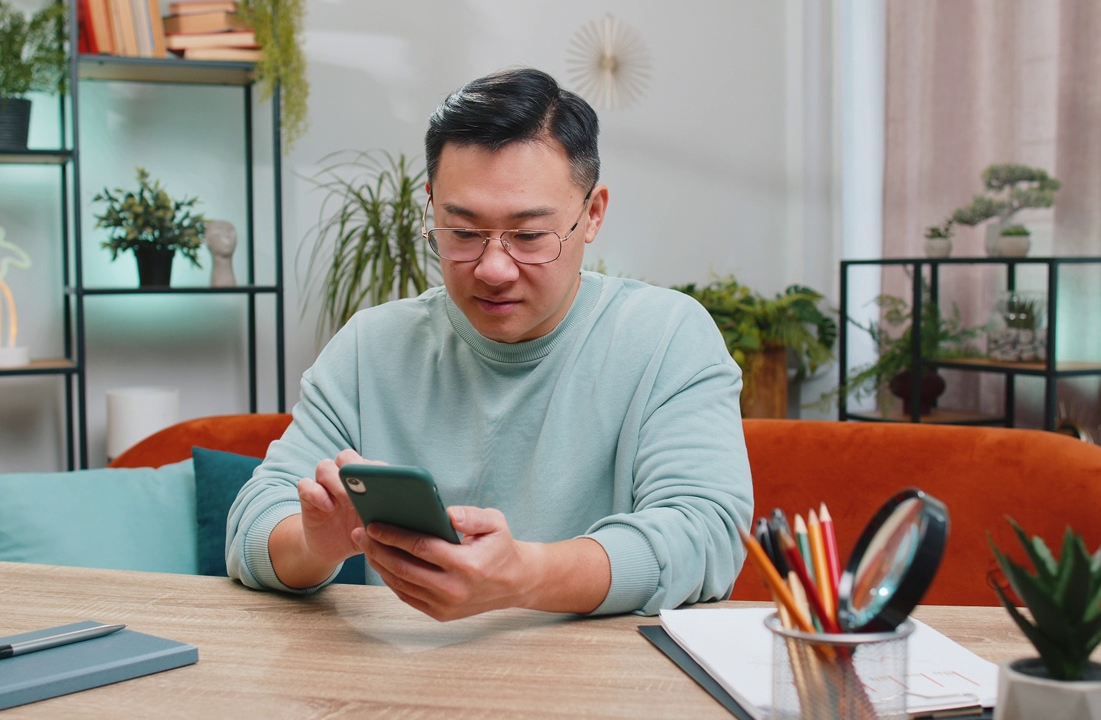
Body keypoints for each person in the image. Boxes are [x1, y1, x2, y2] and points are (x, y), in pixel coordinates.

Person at [226, 67, 753, 620]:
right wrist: (318, 544)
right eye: (464, 232)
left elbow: (707, 534)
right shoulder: (372, 347)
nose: (494, 268)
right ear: (431, 206)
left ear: (592, 214)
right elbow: (252, 528)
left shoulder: (667, 336)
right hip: (405, 685)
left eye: (529, 236)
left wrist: (528, 579)